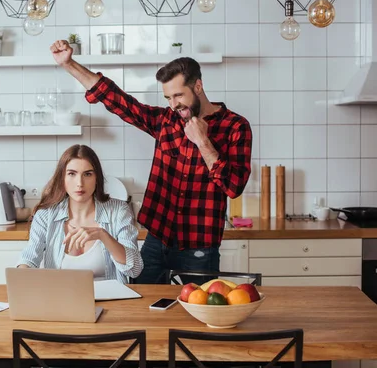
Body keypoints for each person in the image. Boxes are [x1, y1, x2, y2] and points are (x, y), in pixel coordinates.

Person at [49, 40, 252, 285]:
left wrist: (203, 142)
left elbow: (234, 187)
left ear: (198, 86)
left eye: (179, 95)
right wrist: (69, 64)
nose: (174, 104)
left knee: (197, 313)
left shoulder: (236, 127)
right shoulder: (167, 120)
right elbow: (115, 98)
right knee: (142, 304)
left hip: (200, 247)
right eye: (168, 97)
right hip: (156, 240)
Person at [17, 144, 143, 284]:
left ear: (97, 178)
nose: (80, 183)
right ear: (62, 178)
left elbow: (135, 269)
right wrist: (21, 278)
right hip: (61, 301)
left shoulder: (119, 211)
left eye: (87, 174)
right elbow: (29, 258)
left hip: (111, 301)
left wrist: (103, 235)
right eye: (72, 173)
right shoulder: (45, 216)